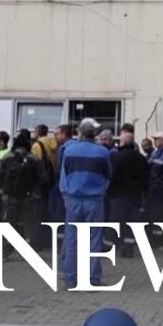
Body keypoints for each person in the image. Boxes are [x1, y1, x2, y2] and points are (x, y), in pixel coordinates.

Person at [59, 118, 112, 288]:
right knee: (93, 239)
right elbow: (108, 175)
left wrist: (66, 195)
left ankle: (71, 279)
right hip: (94, 200)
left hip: (74, 199)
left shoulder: (69, 150)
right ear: (94, 134)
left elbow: (64, 175)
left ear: (80, 133)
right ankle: (93, 279)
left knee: (72, 239)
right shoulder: (103, 152)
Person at [0, 134, 47, 259]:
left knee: (9, 223)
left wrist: (3, 189)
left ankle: (5, 251)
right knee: (27, 223)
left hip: (9, 196)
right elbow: (43, 178)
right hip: (28, 196)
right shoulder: (34, 158)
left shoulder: (7, 157)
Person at [109, 125, 149, 258]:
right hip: (135, 195)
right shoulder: (141, 158)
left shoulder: (117, 157)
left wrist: (110, 191)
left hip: (119, 194)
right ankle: (128, 248)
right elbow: (146, 177)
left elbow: (113, 176)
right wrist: (144, 191)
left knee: (116, 220)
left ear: (123, 143)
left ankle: (111, 245)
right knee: (132, 222)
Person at [146, 132, 163, 230]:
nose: (155, 141)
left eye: (157, 139)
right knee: (152, 210)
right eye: (154, 139)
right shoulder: (154, 153)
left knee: (159, 210)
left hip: (161, 187)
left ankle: (159, 232)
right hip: (152, 186)